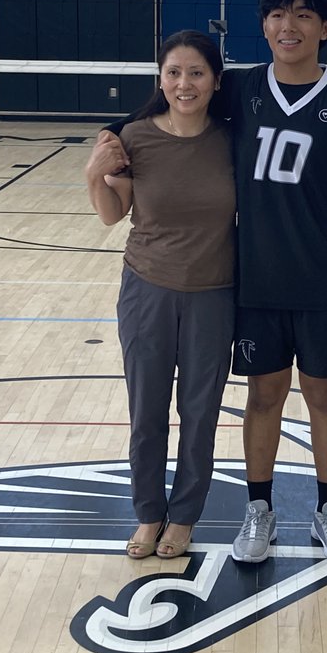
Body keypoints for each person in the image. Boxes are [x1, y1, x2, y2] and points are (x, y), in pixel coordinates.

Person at [222, 0, 327, 567]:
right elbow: (173, 107)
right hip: (256, 279)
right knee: (263, 396)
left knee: (324, 396)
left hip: (323, 281)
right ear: (264, 25)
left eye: (303, 16)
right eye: (277, 15)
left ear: (326, 27)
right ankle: (259, 510)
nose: (288, 26)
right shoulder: (239, 91)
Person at [85, 30, 235, 560]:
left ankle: (185, 517)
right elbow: (111, 213)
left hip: (214, 295)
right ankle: (148, 514)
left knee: (200, 415)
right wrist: (93, 175)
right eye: (173, 72)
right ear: (160, 80)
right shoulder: (135, 137)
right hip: (146, 290)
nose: (184, 83)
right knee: (146, 412)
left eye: (196, 73)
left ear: (216, 81)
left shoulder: (233, 138)